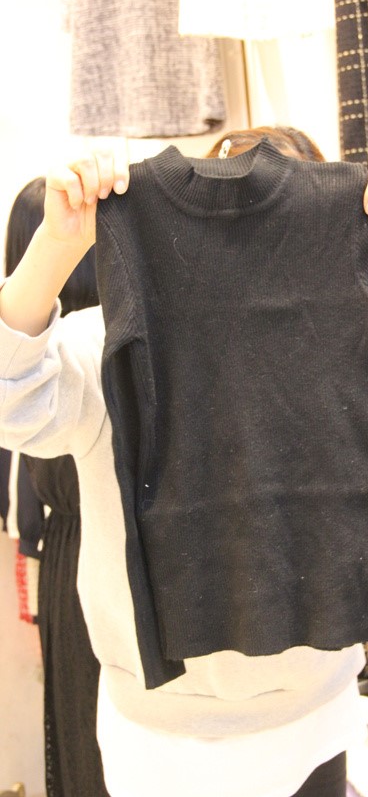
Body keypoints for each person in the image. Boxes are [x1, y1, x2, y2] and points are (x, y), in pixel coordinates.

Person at [0, 127, 368, 797]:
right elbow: (13, 397)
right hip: (163, 734)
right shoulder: (112, 337)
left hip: (314, 710)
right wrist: (56, 245)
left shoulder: (344, 330)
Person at [2, 178, 109, 797]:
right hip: (106, 548)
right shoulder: (105, 349)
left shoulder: (34, 367)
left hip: (69, 554)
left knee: (82, 728)